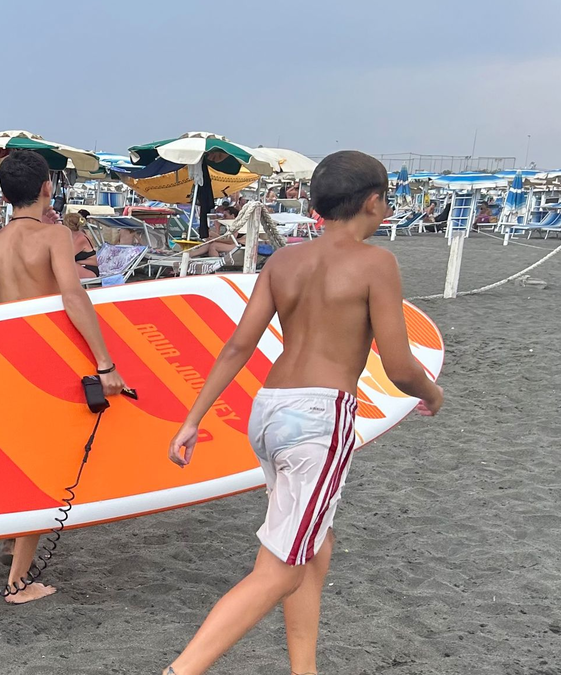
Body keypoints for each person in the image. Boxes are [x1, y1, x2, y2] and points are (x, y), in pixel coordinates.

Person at [161, 151, 444, 675]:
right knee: (279, 570)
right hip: (320, 418)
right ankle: (181, 671)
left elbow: (236, 348)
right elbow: (401, 365)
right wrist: (432, 392)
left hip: (269, 412)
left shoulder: (283, 261)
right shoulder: (375, 262)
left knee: (314, 543)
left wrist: (193, 418)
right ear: (372, 200)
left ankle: (304, 670)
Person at [0, 150, 127, 604]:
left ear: (5, 194)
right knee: (44, 466)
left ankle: (11, 542)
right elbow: (73, 297)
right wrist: (105, 363)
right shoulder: (55, 236)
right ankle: (19, 584)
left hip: (9, 357)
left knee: (18, 455)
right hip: (47, 358)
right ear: (47, 187)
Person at [63, 212, 98, 279]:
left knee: (63, 265)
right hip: (83, 267)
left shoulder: (81, 239)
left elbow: (67, 256)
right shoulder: (77, 236)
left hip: (89, 270)